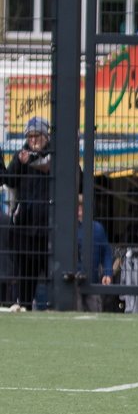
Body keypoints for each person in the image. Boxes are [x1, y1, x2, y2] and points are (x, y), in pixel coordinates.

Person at [2, 117, 52, 310]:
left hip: (48, 231)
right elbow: (10, 180)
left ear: (45, 136)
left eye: (36, 135)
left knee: (51, 280)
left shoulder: (54, 154)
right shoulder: (21, 154)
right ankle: (24, 308)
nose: (33, 140)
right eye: (30, 136)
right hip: (25, 231)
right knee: (25, 282)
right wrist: (20, 162)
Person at [75, 193, 113, 312]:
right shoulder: (69, 228)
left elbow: (106, 252)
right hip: (73, 284)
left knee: (94, 313)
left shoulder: (97, 228)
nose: (80, 212)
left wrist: (108, 273)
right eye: (77, 208)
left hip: (92, 282)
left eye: (82, 208)